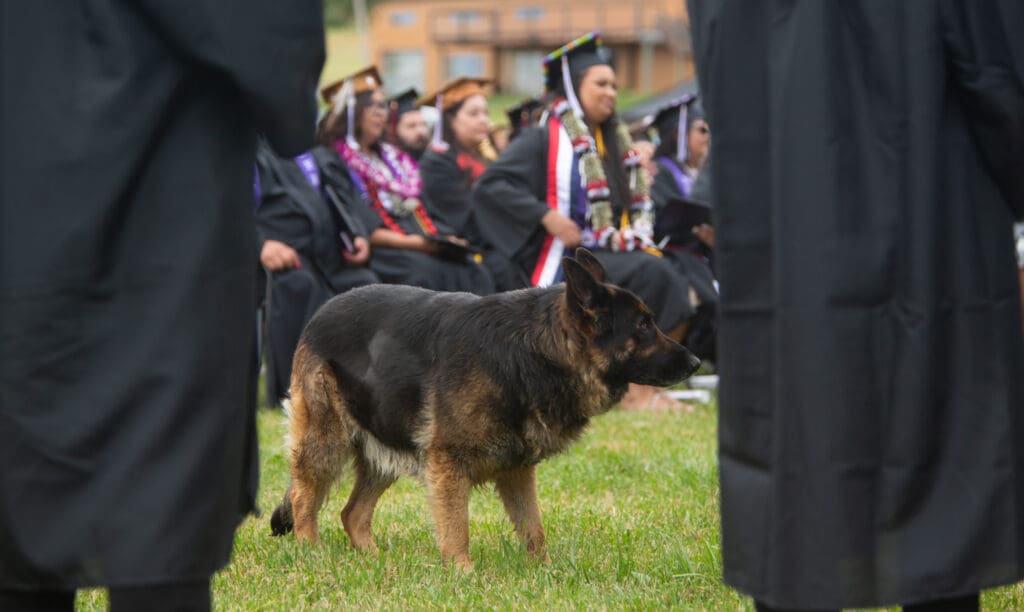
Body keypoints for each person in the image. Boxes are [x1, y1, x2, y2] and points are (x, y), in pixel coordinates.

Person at [687, 1, 1024, 610]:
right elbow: (994, 61)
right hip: (932, 197)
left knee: (797, 446)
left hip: (783, 200)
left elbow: (718, 56)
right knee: (937, 446)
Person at [0, 2, 324, 610]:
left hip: (19, 225)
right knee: (158, 513)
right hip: (159, 227)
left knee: (18, 502)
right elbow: (274, 59)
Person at [473, 32, 699, 410]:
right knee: (654, 274)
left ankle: (646, 386)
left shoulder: (612, 144)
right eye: (601, 84)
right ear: (575, 88)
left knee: (673, 270)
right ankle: (636, 394)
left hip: (602, 250)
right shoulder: (543, 138)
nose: (611, 92)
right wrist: (546, 216)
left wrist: (638, 176)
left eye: (614, 84)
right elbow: (491, 185)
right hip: (564, 257)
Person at [318, 67, 495, 295]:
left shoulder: (390, 157)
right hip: (384, 249)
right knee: (423, 274)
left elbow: (420, 209)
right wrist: (421, 244)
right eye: (372, 106)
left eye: (382, 106)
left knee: (472, 268)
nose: (380, 113)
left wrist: (440, 239)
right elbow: (362, 225)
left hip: (415, 242)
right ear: (352, 112)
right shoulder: (336, 161)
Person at [255, 138, 379, 405]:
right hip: (285, 257)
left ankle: (361, 382)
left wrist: (355, 233)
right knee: (301, 285)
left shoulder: (314, 154)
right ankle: (297, 388)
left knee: (363, 284)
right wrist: (260, 244)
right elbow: (232, 209)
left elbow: (339, 200)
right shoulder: (255, 153)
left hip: (327, 256)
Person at [418, 77, 527, 291]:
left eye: (485, 113)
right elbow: (463, 218)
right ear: (450, 119)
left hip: (497, 243)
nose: (484, 120)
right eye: (473, 113)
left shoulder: (482, 157)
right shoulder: (437, 161)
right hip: (470, 250)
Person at [644, 95, 718, 362]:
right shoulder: (658, 173)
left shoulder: (696, 175)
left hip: (700, 256)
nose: (707, 136)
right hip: (672, 257)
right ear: (680, 133)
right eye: (701, 129)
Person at [386, 87, 431, 160]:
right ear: (394, 130)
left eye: (423, 124)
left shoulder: (435, 160)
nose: (420, 131)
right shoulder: (390, 162)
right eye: (411, 126)